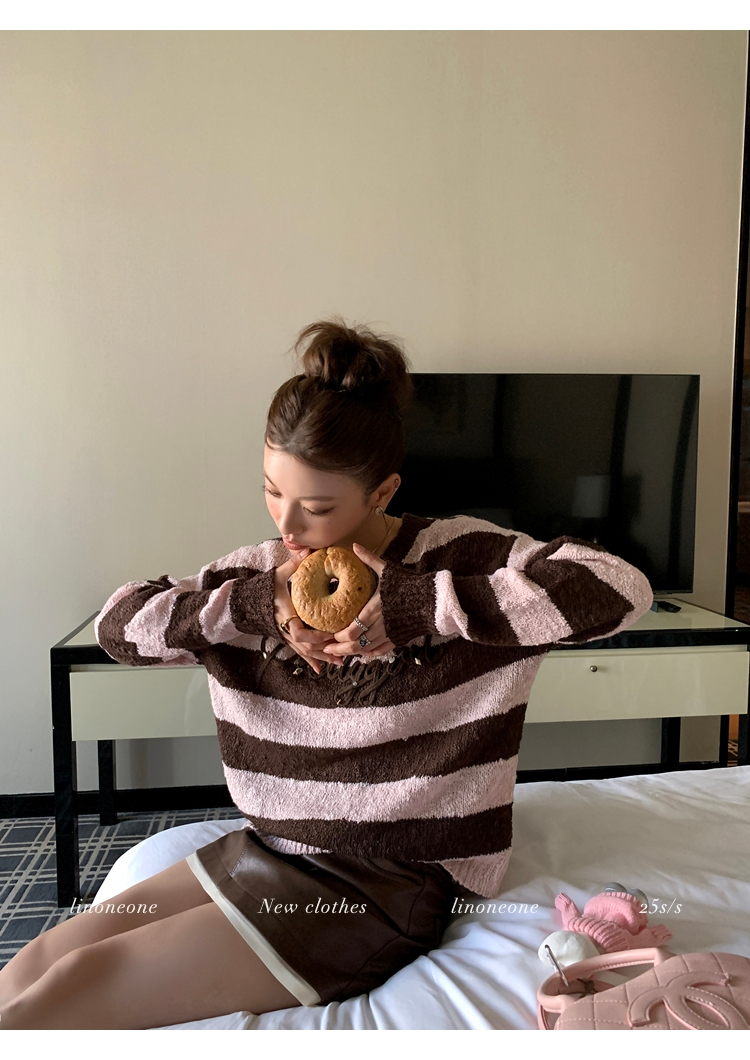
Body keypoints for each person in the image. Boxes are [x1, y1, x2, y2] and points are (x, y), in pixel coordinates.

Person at [0, 318, 653, 1029]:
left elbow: (620, 589)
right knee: (33, 965)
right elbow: (118, 626)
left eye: (316, 507)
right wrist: (251, 607)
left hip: (390, 880)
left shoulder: (457, 555)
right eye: (271, 492)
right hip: (268, 848)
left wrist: (418, 607)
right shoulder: (262, 575)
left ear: (382, 492)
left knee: (71, 991)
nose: (288, 526)